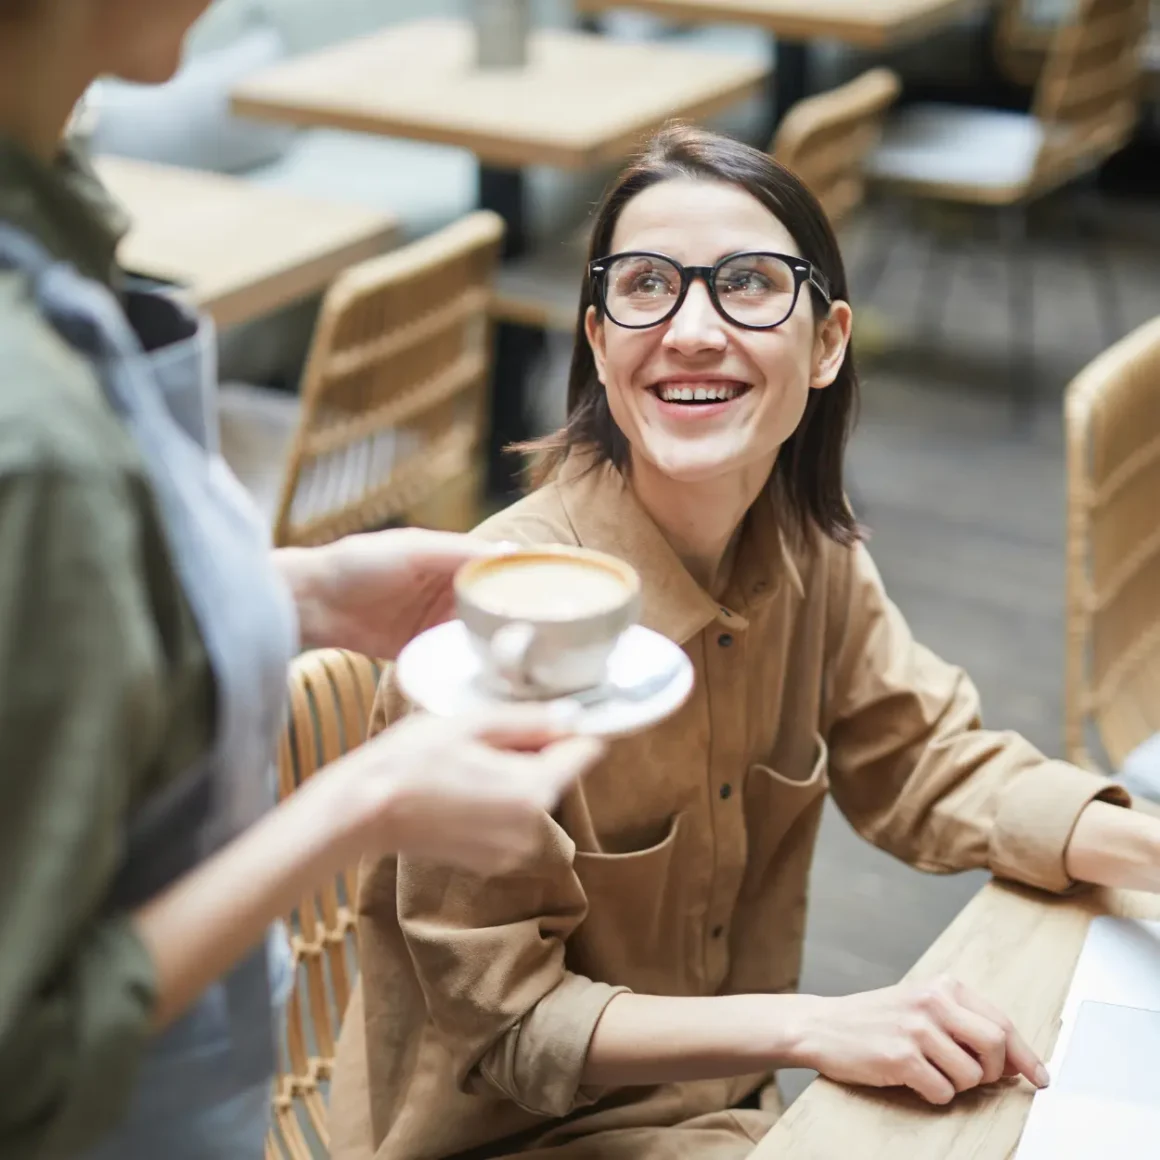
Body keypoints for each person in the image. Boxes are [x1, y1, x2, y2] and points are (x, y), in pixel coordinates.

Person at [330, 125, 1160, 1160]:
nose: (688, 328)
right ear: (597, 341)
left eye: (748, 284)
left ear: (825, 342)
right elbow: (507, 1022)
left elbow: (925, 761)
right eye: (644, 286)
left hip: (731, 1108)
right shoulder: (503, 620)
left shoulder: (806, 548)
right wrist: (816, 1021)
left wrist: (1147, 849)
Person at [0, 2, 605, 1157]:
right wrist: (360, 801)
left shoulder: (49, 248)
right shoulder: (32, 431)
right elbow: (24, 1055)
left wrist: (302, 594)